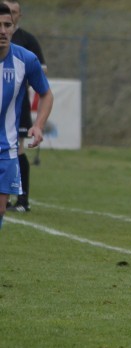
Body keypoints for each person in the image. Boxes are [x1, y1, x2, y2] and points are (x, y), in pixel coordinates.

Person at [0, 2, 53, 230]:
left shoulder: (26, 59)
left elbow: (46, 94)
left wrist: (39, 125)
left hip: (6, 149)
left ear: (14, 27)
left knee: (1, 209)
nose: (2, 31)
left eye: (7, 25)